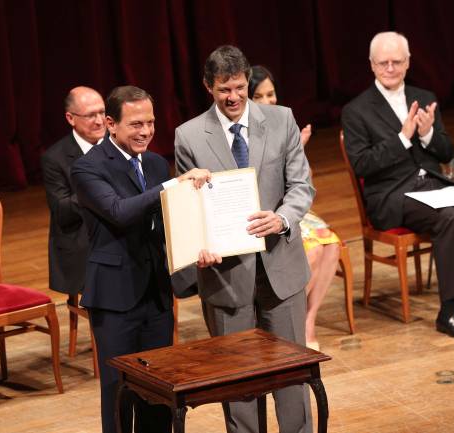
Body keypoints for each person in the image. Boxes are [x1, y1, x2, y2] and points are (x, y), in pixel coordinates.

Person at [175, 46, 315, 433]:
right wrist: (197, 244)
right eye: (223, 90)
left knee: (292, 377)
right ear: (209, 87)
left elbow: (301, 186)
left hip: (281, 269)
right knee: (238, 383)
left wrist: (282, 219)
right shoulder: (188, 136)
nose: (233, 97)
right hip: (226, 277)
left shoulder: (282, 118)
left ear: (248, 81)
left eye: (238, 87)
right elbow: (189, 210)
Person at [71, 86, 211, 433]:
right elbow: (119, 211)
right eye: (135, 124)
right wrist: (174, 184)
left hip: (155, 292)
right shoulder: (87, 168)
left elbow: (168, 223)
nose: (146, 131)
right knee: (118, 389)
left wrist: (198, 249)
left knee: (159, 386)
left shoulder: (154, 163)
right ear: (110, 124)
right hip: (115, 296)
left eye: (150, 122)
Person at [342, 31, 454, 339]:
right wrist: (402, 138)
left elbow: (447, 153)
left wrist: (427, 134)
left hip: (433, 186)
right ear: (372, 65)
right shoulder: (356, 111)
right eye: (383, 63)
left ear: (408, 62)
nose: (390, 68)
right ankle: (449, 311)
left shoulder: (423, 98)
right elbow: (363, 164)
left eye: (396, 62)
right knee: (450, 217)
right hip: (392, 196)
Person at [248, 65, 341, 350]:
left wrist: (298, 149)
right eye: (260, 96)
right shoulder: (243, 131)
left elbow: (302, 183)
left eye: (271, 94)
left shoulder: (283, 123)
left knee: (332, 243)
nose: (268, 101)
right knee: (311, 251)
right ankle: (284, 318)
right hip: (262, 210)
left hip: (288, 208)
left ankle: (307, 319)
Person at [41, 86, 106, 340]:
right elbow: (62, 211)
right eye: (91, 115)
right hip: (81, 243)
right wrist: (97, 191)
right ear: (71, 118)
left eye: (102, 112)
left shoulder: (117, 144)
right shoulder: (55, 158)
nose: (100, 120)